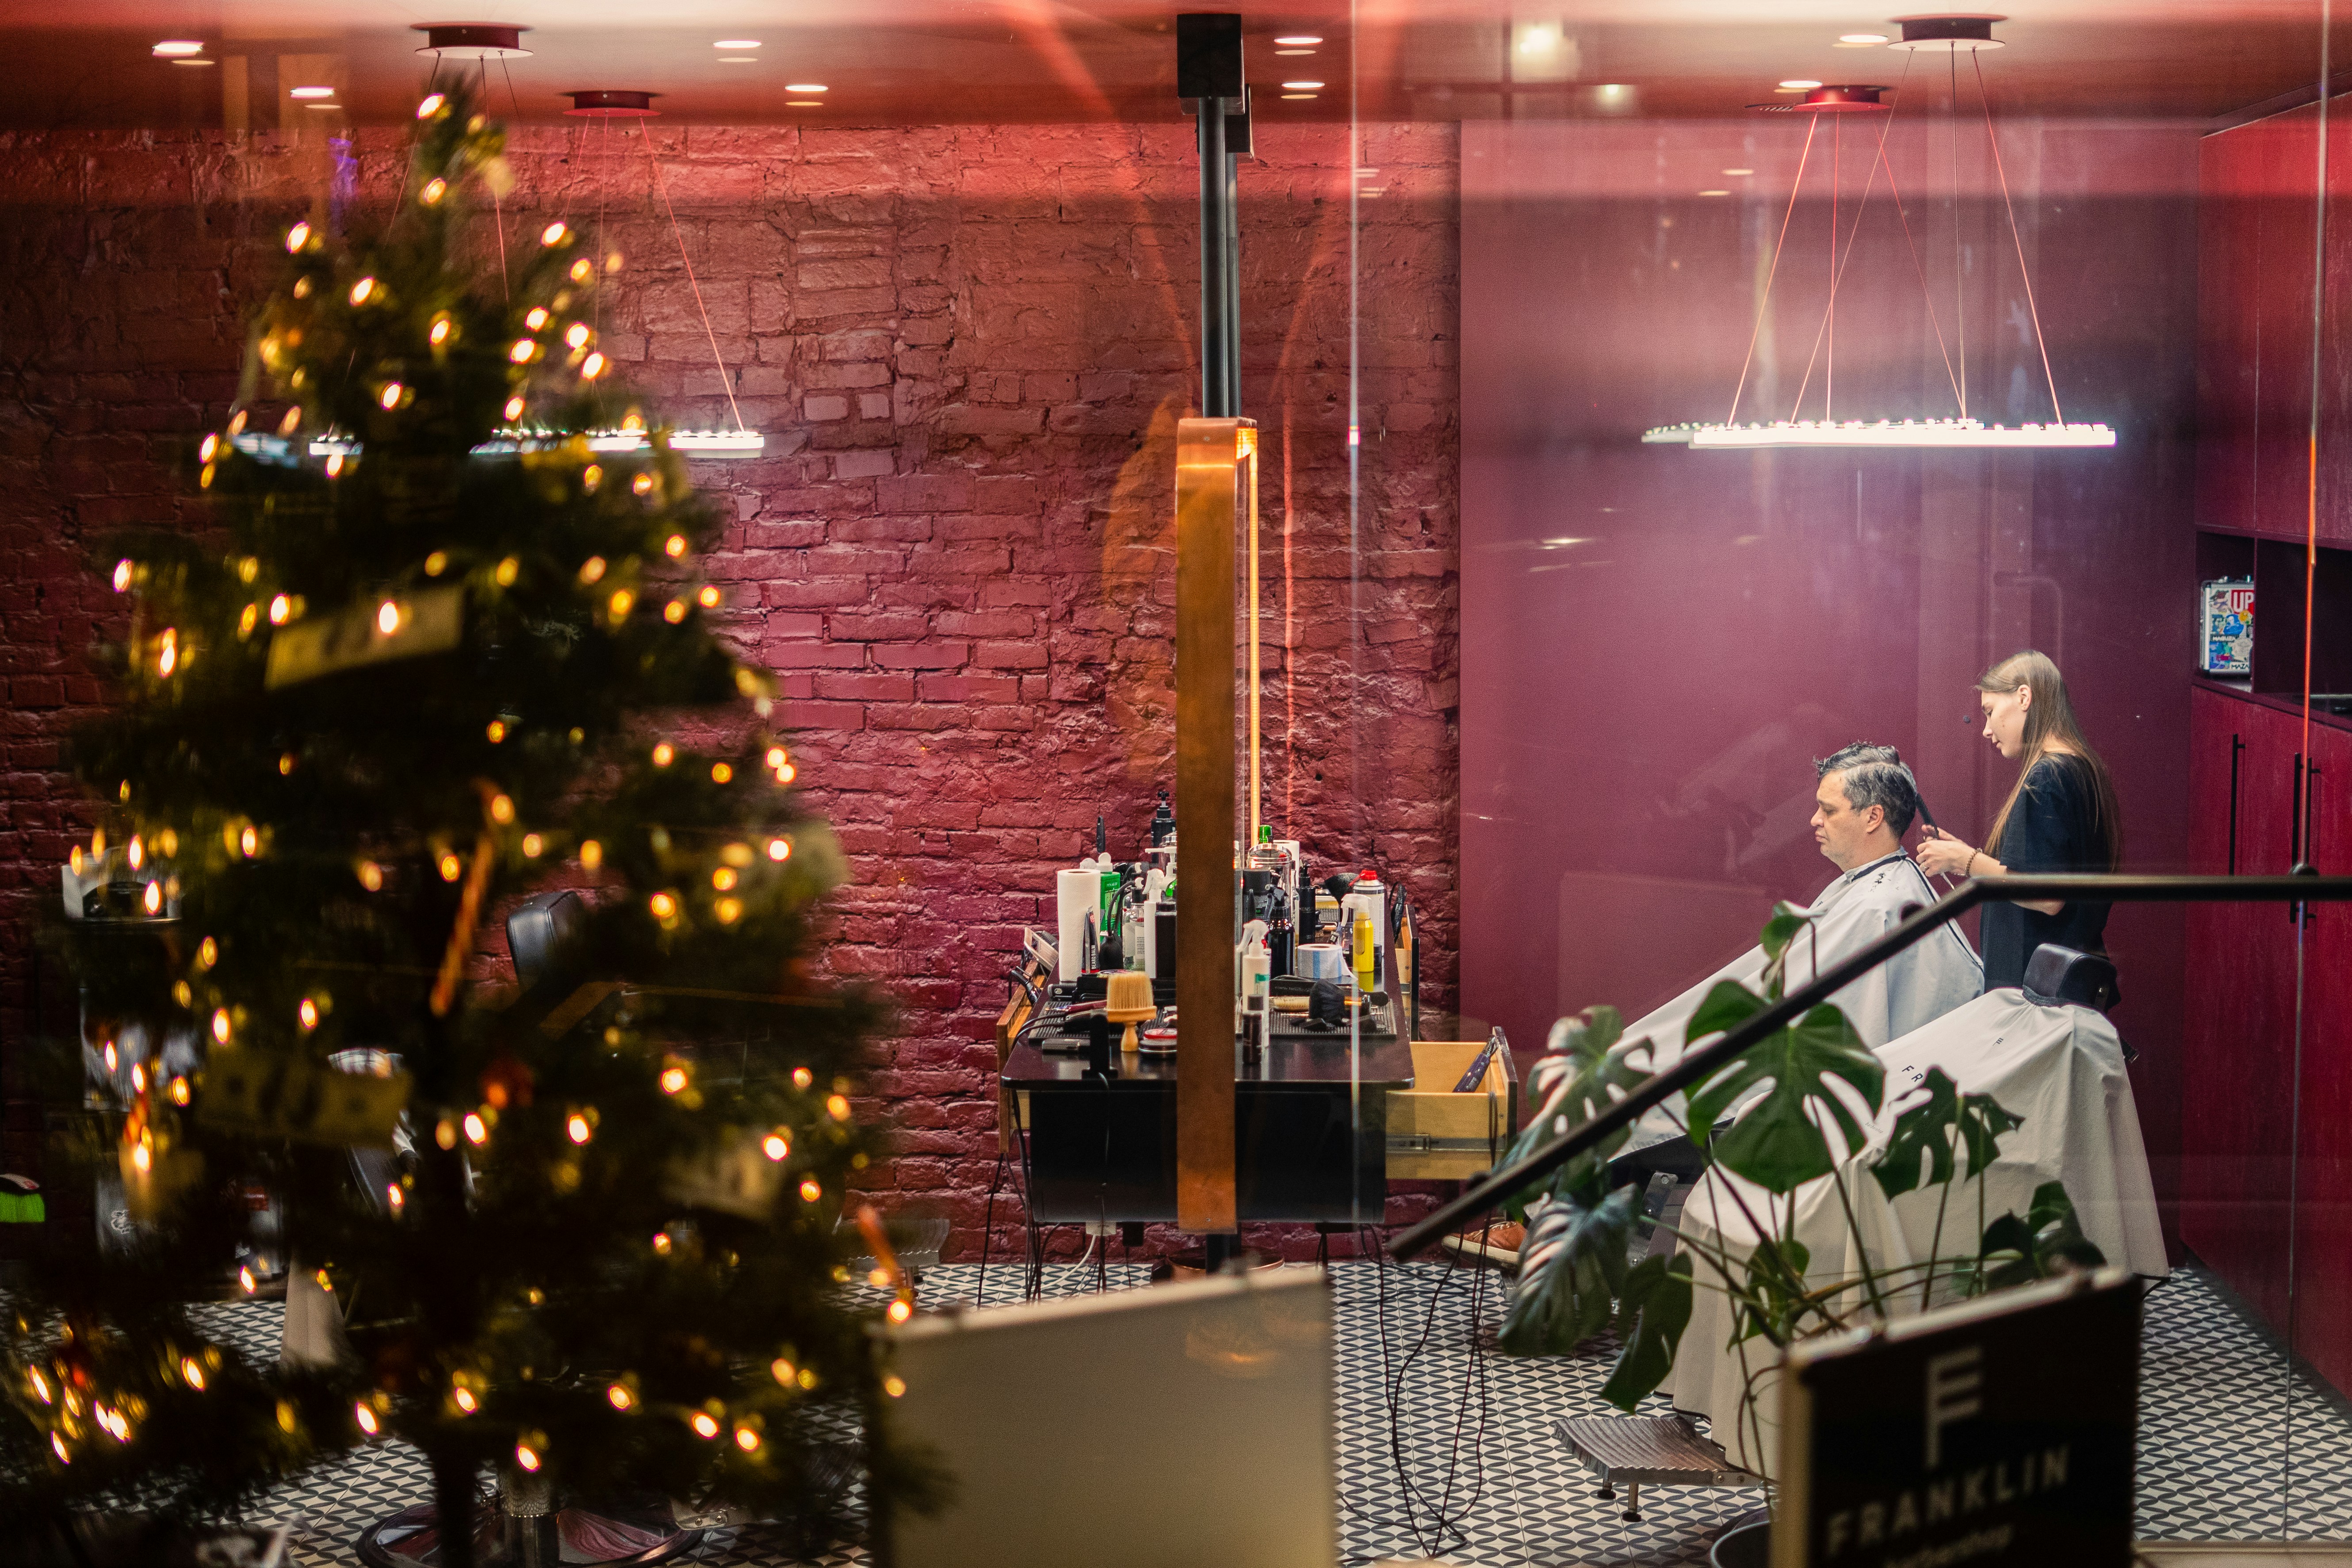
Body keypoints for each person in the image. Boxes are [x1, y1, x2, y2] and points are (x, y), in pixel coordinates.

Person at [1600, 742, 1985, 1163]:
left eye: (1829, 810)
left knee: (1624, 1089)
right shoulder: (1876, 888)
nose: (1813, 821)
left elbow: (1852, 1027)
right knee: (1628, 1065)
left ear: (1873, 817)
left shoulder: (1878, 908)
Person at [1915, 650, 2123, 992]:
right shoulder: (2080, 767)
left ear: (2024, 697)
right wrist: (1969, 856)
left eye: (1990, 711)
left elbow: (2045, 894)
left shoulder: (2048, 775)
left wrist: (1964, 861)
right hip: (2063, 984)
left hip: (2040, 992)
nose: (1985, 729)